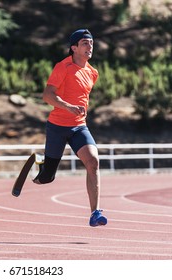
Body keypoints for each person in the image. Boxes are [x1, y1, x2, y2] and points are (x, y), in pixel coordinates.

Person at [33, 29, 107, 227]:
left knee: (93, 162)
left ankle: (95, 213)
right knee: (47, 178)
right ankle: (43, 168)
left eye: (91, 43)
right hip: (57, 127)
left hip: (79, 127)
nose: (89, 46)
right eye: (84, 43)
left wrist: (77, 112)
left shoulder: (92, 72)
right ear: (73, 48)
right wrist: (68, 106)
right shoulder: (63, 67)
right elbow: (47, 95)